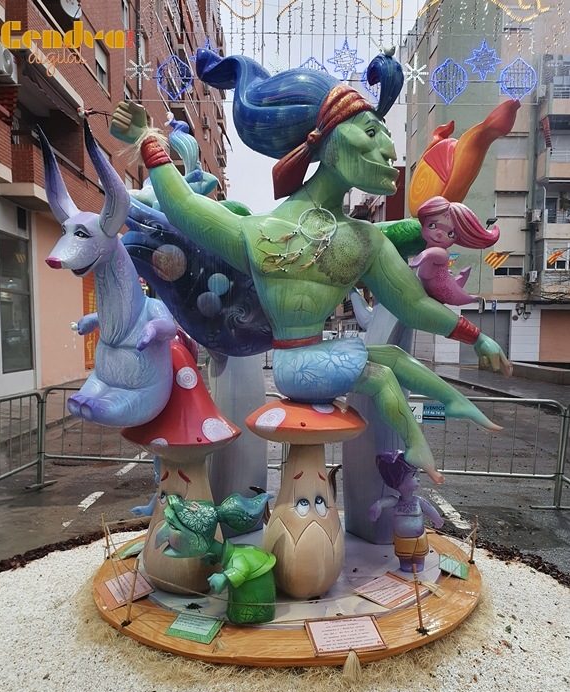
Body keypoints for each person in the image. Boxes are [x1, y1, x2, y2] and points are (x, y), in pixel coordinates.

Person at [110, 49, 510, 484]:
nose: (388, 148)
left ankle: (450, 402)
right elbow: (184, 206)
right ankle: (416, 441)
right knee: (379, 375)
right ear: (328, 138)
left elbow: (413, 306)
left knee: (392, 357)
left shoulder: (365, 240)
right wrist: (147, 138)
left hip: (316, 356)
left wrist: (476, 337)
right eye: (371, 131)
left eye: (385, 135)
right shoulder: (261, 231)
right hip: (293, 364)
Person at [412, 196, 500, 307]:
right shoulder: (428, 247)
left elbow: (429, 254)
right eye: (432, 225)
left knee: (460, 296)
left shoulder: (441, 253)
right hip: (431, 290)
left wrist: (414, 262)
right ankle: (472, 297)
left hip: (443, 291)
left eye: (450, 234)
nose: (439, 234)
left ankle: (475, 299)